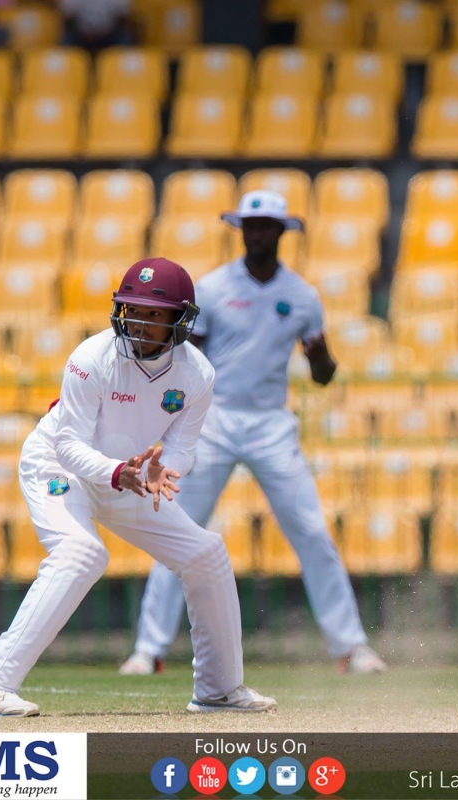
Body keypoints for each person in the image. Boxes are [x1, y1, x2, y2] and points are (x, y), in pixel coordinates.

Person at [0, 257, 276, 717]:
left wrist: (164, 468)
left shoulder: (198, 375)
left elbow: (182, 447)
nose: (139, 324)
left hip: (128, 474)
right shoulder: (91, 359)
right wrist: (115, 473)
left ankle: (219, 690)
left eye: (154, 314)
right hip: (59, 467)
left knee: (205, 553)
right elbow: (68, 444)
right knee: (82, 553)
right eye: (133, 311)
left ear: (180, 320)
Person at [120, 190, 386, 677]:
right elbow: (188, 361)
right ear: (240, 230)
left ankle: (351, 647)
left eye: (266, 226)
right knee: (178, 528)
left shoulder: (302, 296)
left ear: (282, 232)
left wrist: (321, 355)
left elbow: (323, 375)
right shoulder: (214, 288)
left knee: (311, 531)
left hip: (271, 423)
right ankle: (148, 649)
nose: (258, 234)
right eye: (251, 226)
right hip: (214, 418)